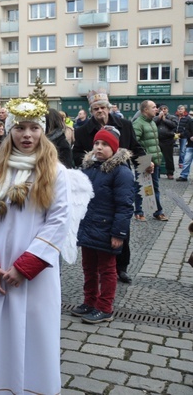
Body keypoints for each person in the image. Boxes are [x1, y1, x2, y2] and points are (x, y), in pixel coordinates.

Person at [0, 98, 69, 395]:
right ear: (10, 131)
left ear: (43, 131)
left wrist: (26, 267)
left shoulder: (55, 172)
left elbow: (59, 221)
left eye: (34, 128)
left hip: (34, 276)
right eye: (21, 128)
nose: (27, 135)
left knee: (34, 337)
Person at [72, 90, 145, 285]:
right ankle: (96, 267)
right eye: (96, 109)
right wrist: (91, 161)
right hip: (95, 183)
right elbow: (76, 153)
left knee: (122, 229)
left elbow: (137, 149)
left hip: (119, 179)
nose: (100, 111)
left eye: (103, 107)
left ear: (109, 107)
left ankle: (121, 268)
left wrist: (147, 164)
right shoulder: (82, 130)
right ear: (91, 110)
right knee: (95, 228)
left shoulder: (126, 126)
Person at [71, 127, 134, 325]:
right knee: (88, 267)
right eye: (97, 143)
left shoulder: (121, 172)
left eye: (105, 144)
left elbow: (125, 206)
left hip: (108, 229)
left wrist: (119, 233)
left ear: (114, 148)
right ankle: (89, 301)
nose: (99, 147)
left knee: (107, 270)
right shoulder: (89, 168)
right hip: (88, 225)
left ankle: (105, 307)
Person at [132, 100, 168, 222]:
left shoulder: (152, 122)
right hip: (143, 161)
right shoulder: (138, 123)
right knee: (141, 187)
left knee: (155, 188)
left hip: (155, 161)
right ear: (145, 110)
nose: (156, 109)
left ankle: (158, 211)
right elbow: (134, 144)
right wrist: (145, 159)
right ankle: (138, 212)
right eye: (153, 107)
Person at [154, 104, 178, 179]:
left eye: (165, 109)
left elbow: (174, 125)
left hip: (168, 140)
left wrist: (165, 120)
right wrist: (159, 118)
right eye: (162, 109)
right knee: (156, 157)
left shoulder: (172, 117)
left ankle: (170, 173)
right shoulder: (156, 117)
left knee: (169, 158)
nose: (163, 110)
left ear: (167, 110)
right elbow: (153, 124)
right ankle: (156, 173)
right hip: (158, 140)